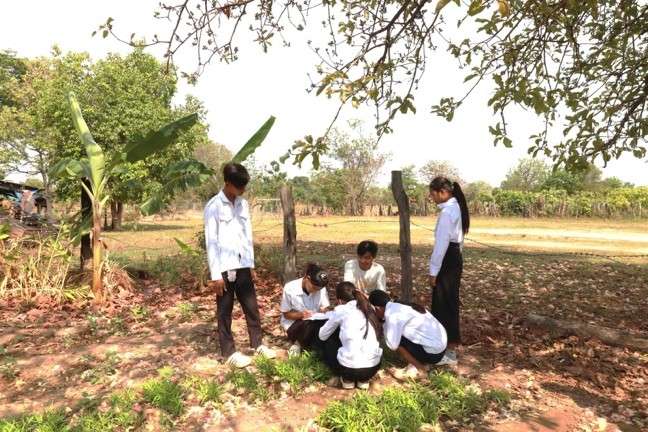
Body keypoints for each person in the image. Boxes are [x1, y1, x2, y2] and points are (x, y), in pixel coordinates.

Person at [204, 162, 276, 368]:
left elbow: (247, 235)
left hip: (243, 264)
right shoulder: (214, 206)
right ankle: (229, 352)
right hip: (224, 268)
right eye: (239, 186)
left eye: (244, 186)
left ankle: (257, 344)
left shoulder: (242, 204)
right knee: (224, 311)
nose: (242, 190)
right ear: (227, 183)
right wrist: (216, 275)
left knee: (251, 307)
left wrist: (250, 264)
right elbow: (211, 242)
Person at [428, 176, 470, 362]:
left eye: (433, 194)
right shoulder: (456, 208)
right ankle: (446, 346)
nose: (432, 198)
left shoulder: (447, 213)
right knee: (449, 302)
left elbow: (441, 245)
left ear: (443, 192)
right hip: (454, 257)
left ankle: (447, 350)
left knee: (443, 303)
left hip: (447, 259)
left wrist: (433, 271)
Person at [369, 290, 455, 380]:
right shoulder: (400, 306)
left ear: (377, 308)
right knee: (399, 336)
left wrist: (382, 323)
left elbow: (392, 345)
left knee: (398, 343)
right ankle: (422, 361)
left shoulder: (392, 315)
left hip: (434, 354)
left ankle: (420, 368)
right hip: (441, 347)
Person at [319, 282, 383, 390]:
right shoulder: (369, 308)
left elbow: (322, 335)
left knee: (329, 340)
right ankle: (363, 380)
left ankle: (347, 380)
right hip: (372, 368)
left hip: (348, 370)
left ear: (339, 301)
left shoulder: (341, 310)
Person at [280, 263, 331, 357]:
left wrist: (325, 311)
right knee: (309, 325)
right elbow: (286, 314)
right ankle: (298, 344)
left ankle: (314, 347)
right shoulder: (290, 288)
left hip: (314, 320)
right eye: (314, 288)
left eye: (318, 289)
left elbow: (325, 307)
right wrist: (301, 315)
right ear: (307, 278)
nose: (316, 291)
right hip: (295, 323)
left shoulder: (321, 289)